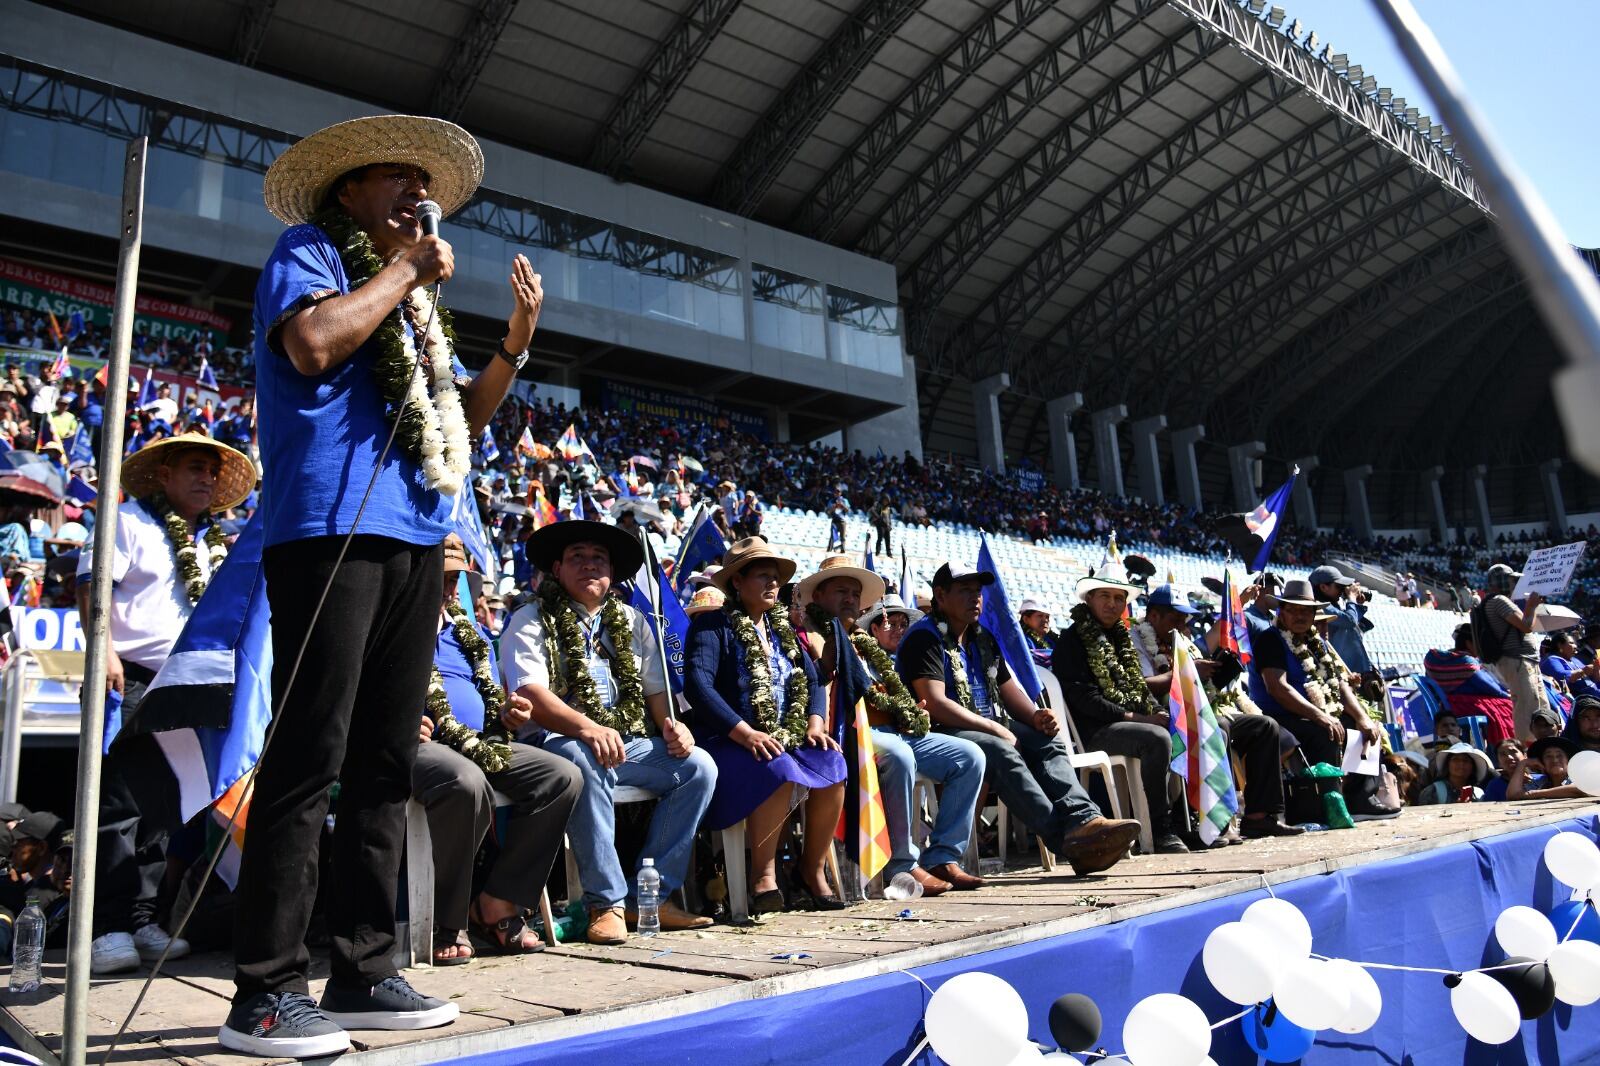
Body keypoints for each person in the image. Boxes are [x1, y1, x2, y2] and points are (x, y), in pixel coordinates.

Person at [225, 114, 543, 1056]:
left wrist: (515, 343)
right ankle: (264, 991)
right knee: (308, 756)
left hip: (416, 533)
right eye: (395, 179)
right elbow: (314, 347)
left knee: (382, 764)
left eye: (423, 181)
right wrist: (407, 271)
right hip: (328, 529)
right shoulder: (310, 252)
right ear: (347, 192)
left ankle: (363, 969)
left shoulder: (412, 304)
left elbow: (462, 417)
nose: (417, 193)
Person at [78, 432, 255, 974]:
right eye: (196, 468)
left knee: (163, 807)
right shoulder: (126, 521)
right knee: (117, 805)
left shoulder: (213, 544)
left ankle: (140, 918)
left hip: (183, 685)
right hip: (126, 677)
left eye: (213, 473)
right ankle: (105, 926)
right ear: (165, 475)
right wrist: (102, 651)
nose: (206, 479)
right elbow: (91, 589)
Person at [502, 520, 716, 945]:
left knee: (699, 767)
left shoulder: (633, 622)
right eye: (577, 557)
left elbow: (656, 691)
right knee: (584, 756)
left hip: (624, 740)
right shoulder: (529, 618)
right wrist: (587, 727)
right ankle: (606, 902)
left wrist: (673, 727)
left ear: (613, 572)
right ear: (557, 569)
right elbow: (531, 691)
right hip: (553, 743)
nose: (588, 566)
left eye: (598, 558)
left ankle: (650, 899)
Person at [903, 561, 1142, 874]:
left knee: (1045, 738)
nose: (975, 598)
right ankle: (1069, 841)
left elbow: (1008, 689)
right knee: (1000, 749)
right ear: (940, 595)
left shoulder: (980, 637)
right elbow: (934, 702)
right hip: (940, 731)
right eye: (964, 591)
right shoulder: (925, 637)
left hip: (983, 723)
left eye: (977, 592)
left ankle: (1085, 820)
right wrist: (992, 727)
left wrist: (1035, 716)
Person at [411, 536, 581, 963]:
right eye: (443, 576)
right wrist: (398, 721)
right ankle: (448, 922)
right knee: (464, 782)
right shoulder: (391, 626)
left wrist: (507, 714)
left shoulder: (467, 634)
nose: (450, 589)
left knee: (561, 776)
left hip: (480, 744)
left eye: (456, 580)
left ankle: (498, 901)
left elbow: (490, 702)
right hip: (419, 746)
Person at [798, 556, 986, 895]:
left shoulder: (863, 641)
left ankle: (943, 855)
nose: (851, 599)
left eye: (855, 593)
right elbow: (821, 686)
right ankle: (903, 865)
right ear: (819, 596)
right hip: (850, 732)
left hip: (891, 731)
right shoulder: (810, 634)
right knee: (898, 755)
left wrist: (909, 710)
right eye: (841, 590)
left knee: (970, 756)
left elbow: (885, 691)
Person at [683, 538, 847, 911]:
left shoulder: (782, 631)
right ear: (737, 583)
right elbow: (698, 686)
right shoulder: (712, 626)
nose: (773, 585)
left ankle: (811, 870)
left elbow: (813, 680)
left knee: (834, 765)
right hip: (728, 741)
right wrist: (745, 732)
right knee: (776, 766)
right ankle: (764, 877)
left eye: (776, 578)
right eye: (763, 576)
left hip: (784, 737)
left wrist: (816, 723)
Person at [1131, 584, 1300, 839]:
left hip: (1202, 709)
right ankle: (1209, 819)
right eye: (1174, 618)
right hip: (1168, 715)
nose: (1181, 624)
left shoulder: (1182, 640)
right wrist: (1187, 673)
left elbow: (1204, 673)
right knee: (1217, 727)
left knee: (1264, 726)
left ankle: (1259, 817)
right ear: (1153, 616)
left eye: (1184, 618)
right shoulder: (1137, 640)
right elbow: (1144, 685)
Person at [1053, 565, 1188, 853]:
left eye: (1118, 598)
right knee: (1157, 737)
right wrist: (1142, 718)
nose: (1112, 604)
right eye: (1105, 595)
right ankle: (1161, 830)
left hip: (1129, 723)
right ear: (1088, 598)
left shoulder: (1121, 638)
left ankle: (1191, 821)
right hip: (1094, 731)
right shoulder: (1072, 640)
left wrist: (1155, 712)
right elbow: (1084, 700)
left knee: (1187, 725)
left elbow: (1137, 687)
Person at [1246, 578, 1396, 818]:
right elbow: (1278, 688)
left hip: (1316, 711)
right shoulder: (1270, 639)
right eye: (1292, 609)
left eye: (1305, 610)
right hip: (1279, 714)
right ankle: (1325, 804)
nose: (1299, 616)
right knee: (1324, 731)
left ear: (1314, 613)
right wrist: (1320, 716)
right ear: (1281, 611)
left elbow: (1338, 684)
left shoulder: (1317, 644)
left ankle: (1361, 799)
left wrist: (1362, 717)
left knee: (1365, 728)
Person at [1475, 562, 1551, 742]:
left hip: (1521, 660)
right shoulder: (1499, 601)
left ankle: (1544, 744)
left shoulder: (1495, 601)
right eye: (1510, 580)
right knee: (1528, 708)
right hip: (1517, 660)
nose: (1514, 585)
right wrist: (1531, 607)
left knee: (1538, 705)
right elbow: (1526, 626)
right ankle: (1530, 749)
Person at [1423, 624, 1516, 745]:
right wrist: (1506, 694)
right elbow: (1488, 686)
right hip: (1464, 705)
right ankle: (1498, 749)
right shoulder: (1467, 661)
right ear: (1468, 643)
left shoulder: (1440, 659)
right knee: (1508, 707)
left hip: (1448, 704)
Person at [1309, 565, 1375, 685]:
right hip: (1340, 673)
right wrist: (1351, 599)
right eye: (1339, 586)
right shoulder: (1319, 606)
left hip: (1352, 670)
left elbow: (1354, 625)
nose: (1343, 590)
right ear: (1323, 587)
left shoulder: (1333, 606)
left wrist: (1356, 604)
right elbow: (1349, 621)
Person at [1508, 737, 1585, 800]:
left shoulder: (1578, 778)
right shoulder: (1540, 782)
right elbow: (1513, 795)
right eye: (1548, 756)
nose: (1555, 760)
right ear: (1541, 762)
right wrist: (1522, 764)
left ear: (1569, 761)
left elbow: (1580, 789)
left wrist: (1534, 794)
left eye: (1559, 755)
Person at [1418, 743, 1492, 804]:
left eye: (1466, 760)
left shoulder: (1478, 794)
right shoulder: (1433, 791)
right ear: (1447, 764)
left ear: (1473, 767)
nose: (1461, 764)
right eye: (1456, 759)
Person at [1542, 633, 1600, 700]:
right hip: (1582, 701)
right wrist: (1583, 671)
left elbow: (1594, 678)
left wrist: (1596, 669)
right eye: (1571, 643)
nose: (1575, 646)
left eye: (1575, 643)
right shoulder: (1551, 660)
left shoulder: (1574, 660)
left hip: (1595, 693)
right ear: (1560, 645)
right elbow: (1562, 677)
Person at [1018, 598, 1056, 670]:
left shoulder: (1051, 641)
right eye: (1040, 616)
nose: (1045, 620)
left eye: (1047, 616)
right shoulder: (1020, 640)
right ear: (1026, 619)